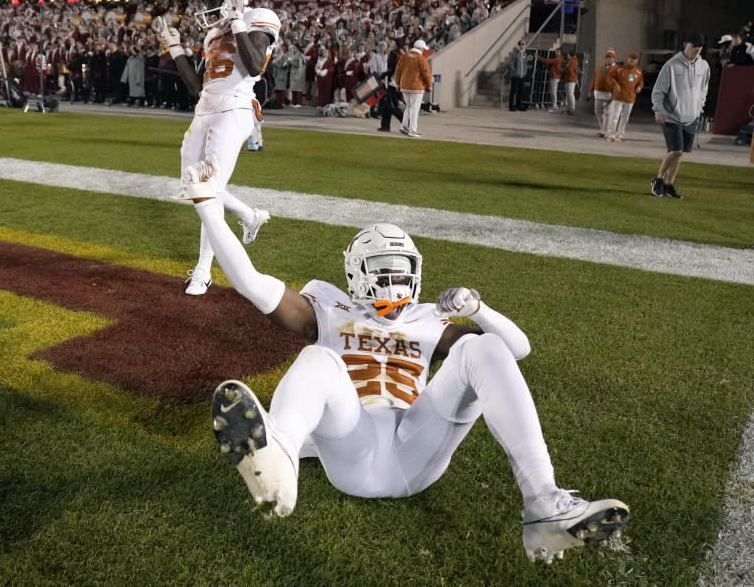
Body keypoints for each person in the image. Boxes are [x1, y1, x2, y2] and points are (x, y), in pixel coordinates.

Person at [176, 158, 630, 563]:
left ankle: (544, 502)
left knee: (482, 345)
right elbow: (251, 282)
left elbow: (516, 350)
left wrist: (480, 313)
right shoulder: (329, 309)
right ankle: (281, 460)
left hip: (416, 444)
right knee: (319, 359)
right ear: (356, 273)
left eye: (401, 268)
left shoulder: (430, 320)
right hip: (352, 444)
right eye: (383, 269)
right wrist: (208, 207)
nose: (395, 279)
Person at [155, 0, 278, 295]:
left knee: (207, 188)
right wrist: (175, 48)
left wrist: (238, 20)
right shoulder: (212, 33)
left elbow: (255, 66)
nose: (204, 8)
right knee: (193, 185)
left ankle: (204, 269)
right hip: (205, 108)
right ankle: (249, 216)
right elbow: (197, 86)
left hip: (235, 108)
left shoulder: (259, 17)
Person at [650, 33, 710, 199]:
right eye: (693, 49)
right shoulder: (671, 65)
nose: (695, 53)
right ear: (685, 45)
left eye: (699, 50)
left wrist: (699, 108)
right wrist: (659, 110)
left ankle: (669, 185)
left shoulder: (704, 66)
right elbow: (658, 91)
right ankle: (658, 179)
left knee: (680, 153)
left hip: (691, 116)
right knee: (675, 150)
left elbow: (704, 89)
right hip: (671, 115)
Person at [393, 39, 432, 137]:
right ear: (421, 48)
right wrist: (429, 85)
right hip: (417, 87)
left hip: (404, 86)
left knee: (408, 106)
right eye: (423, 49)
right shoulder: (421, 59)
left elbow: (397, 71)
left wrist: (397, 84)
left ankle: (404, 126)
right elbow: (426, 74)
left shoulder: (404, 56)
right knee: (415, 108)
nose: (424, 50)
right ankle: (412, 130)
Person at [604, 52, 643, 142]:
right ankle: (611, 135)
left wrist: (639, 87)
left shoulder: (638, 72)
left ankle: (620, 134)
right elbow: (609, 77)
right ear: (627, 58)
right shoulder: (618, 68)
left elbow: (641, 81)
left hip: (630, 98)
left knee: (625, 118)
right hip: (618, 97)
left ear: (636, 61)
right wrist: (615, 84)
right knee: (614, 116)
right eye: (630, 58)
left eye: (634, 59)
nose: (632, 60)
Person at [587, 49, 617, 135]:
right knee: (597, 112)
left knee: (607, 113)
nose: (608, 59)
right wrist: (590, 90)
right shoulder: (601, 67)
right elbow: (595, 79)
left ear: (613, 59)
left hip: (609, 94)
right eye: (607, 58)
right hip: (598, 94)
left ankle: (604, 130)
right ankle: (603, 129)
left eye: (610, 58)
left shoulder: (616, 69)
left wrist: (614, 95)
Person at [507, 39, 529, 111]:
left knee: (521, 91)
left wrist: (524, 72)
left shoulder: (525, 54)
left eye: (522, 45)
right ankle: (511, 106)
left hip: (522, 76)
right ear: (518, 46)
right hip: (515, 76)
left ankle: (518, 105)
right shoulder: (514, 54)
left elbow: (525, 64)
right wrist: (515, 71)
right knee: (513, 91)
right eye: (520, 45)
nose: (521, 46)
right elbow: (510, 63)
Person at [560, 48, 579, 115]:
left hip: (571, 79)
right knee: (568, 94)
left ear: (569, 55)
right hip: (568, 79)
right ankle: (568, 109)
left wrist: (563, 70)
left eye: (568, 54)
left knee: (570, 94)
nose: (567, 56)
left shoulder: (573, 61)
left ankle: (572, 109)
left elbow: (570, 70)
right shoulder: (571, 61)